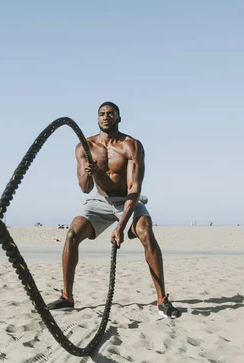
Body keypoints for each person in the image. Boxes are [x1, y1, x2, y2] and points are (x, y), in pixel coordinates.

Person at [47, 102, 181, 318]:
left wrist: (121, 226)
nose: (106, 116)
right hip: (100, 201)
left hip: (128, 200)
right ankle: (67, 297)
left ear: (119, 118)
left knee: (146, 233)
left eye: (111, 113)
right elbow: (85, 188)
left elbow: (134, 188)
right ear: (97, 118)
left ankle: (162, 300)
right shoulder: (85, 146)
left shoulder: (131, 145)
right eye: (102, 114)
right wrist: (89, 173)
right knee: (71, 234)